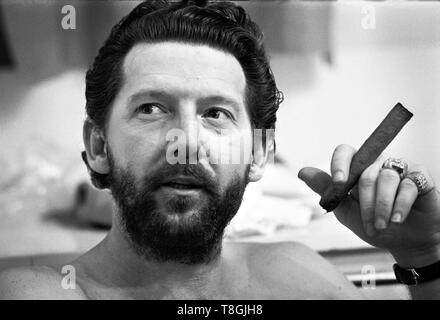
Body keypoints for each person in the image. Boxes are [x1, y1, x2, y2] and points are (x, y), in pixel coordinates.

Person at [1, 0, 439, 300]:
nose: (186, 144)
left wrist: (425, 255)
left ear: (259, 152)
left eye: (215, 114)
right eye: (152, 108)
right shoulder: (36, 293)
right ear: (98, 146)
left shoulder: (297, 278)